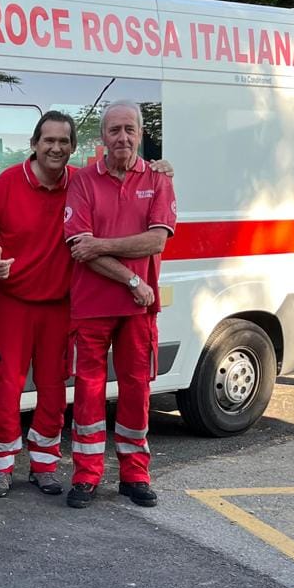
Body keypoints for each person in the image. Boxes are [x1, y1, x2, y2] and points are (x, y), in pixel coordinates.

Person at [62, 101, 177, 509]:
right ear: (102, 137)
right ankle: (86, 475)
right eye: (114, 130)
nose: (123, 137)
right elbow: (79, 248)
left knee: (136, 390)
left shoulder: (158, 179)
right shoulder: (83, 181)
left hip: (139, 310)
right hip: (93, 305)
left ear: (140, 133)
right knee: (89, 392)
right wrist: (131, 278)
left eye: (130, 129)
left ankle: (135, 474)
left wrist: (101, 245)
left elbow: (156, 240)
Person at [0, 111, 77, 497]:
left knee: (53, 389)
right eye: (48, 140)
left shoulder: (80, 184)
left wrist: (158, 169)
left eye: (63, 141)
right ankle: (0, 467)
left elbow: (121, 177)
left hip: (59, 306)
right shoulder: (7, 182)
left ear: (72, 147)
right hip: (11, 303)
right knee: (6, 387)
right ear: (34, 144)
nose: (56, 148)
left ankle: (45, 465)